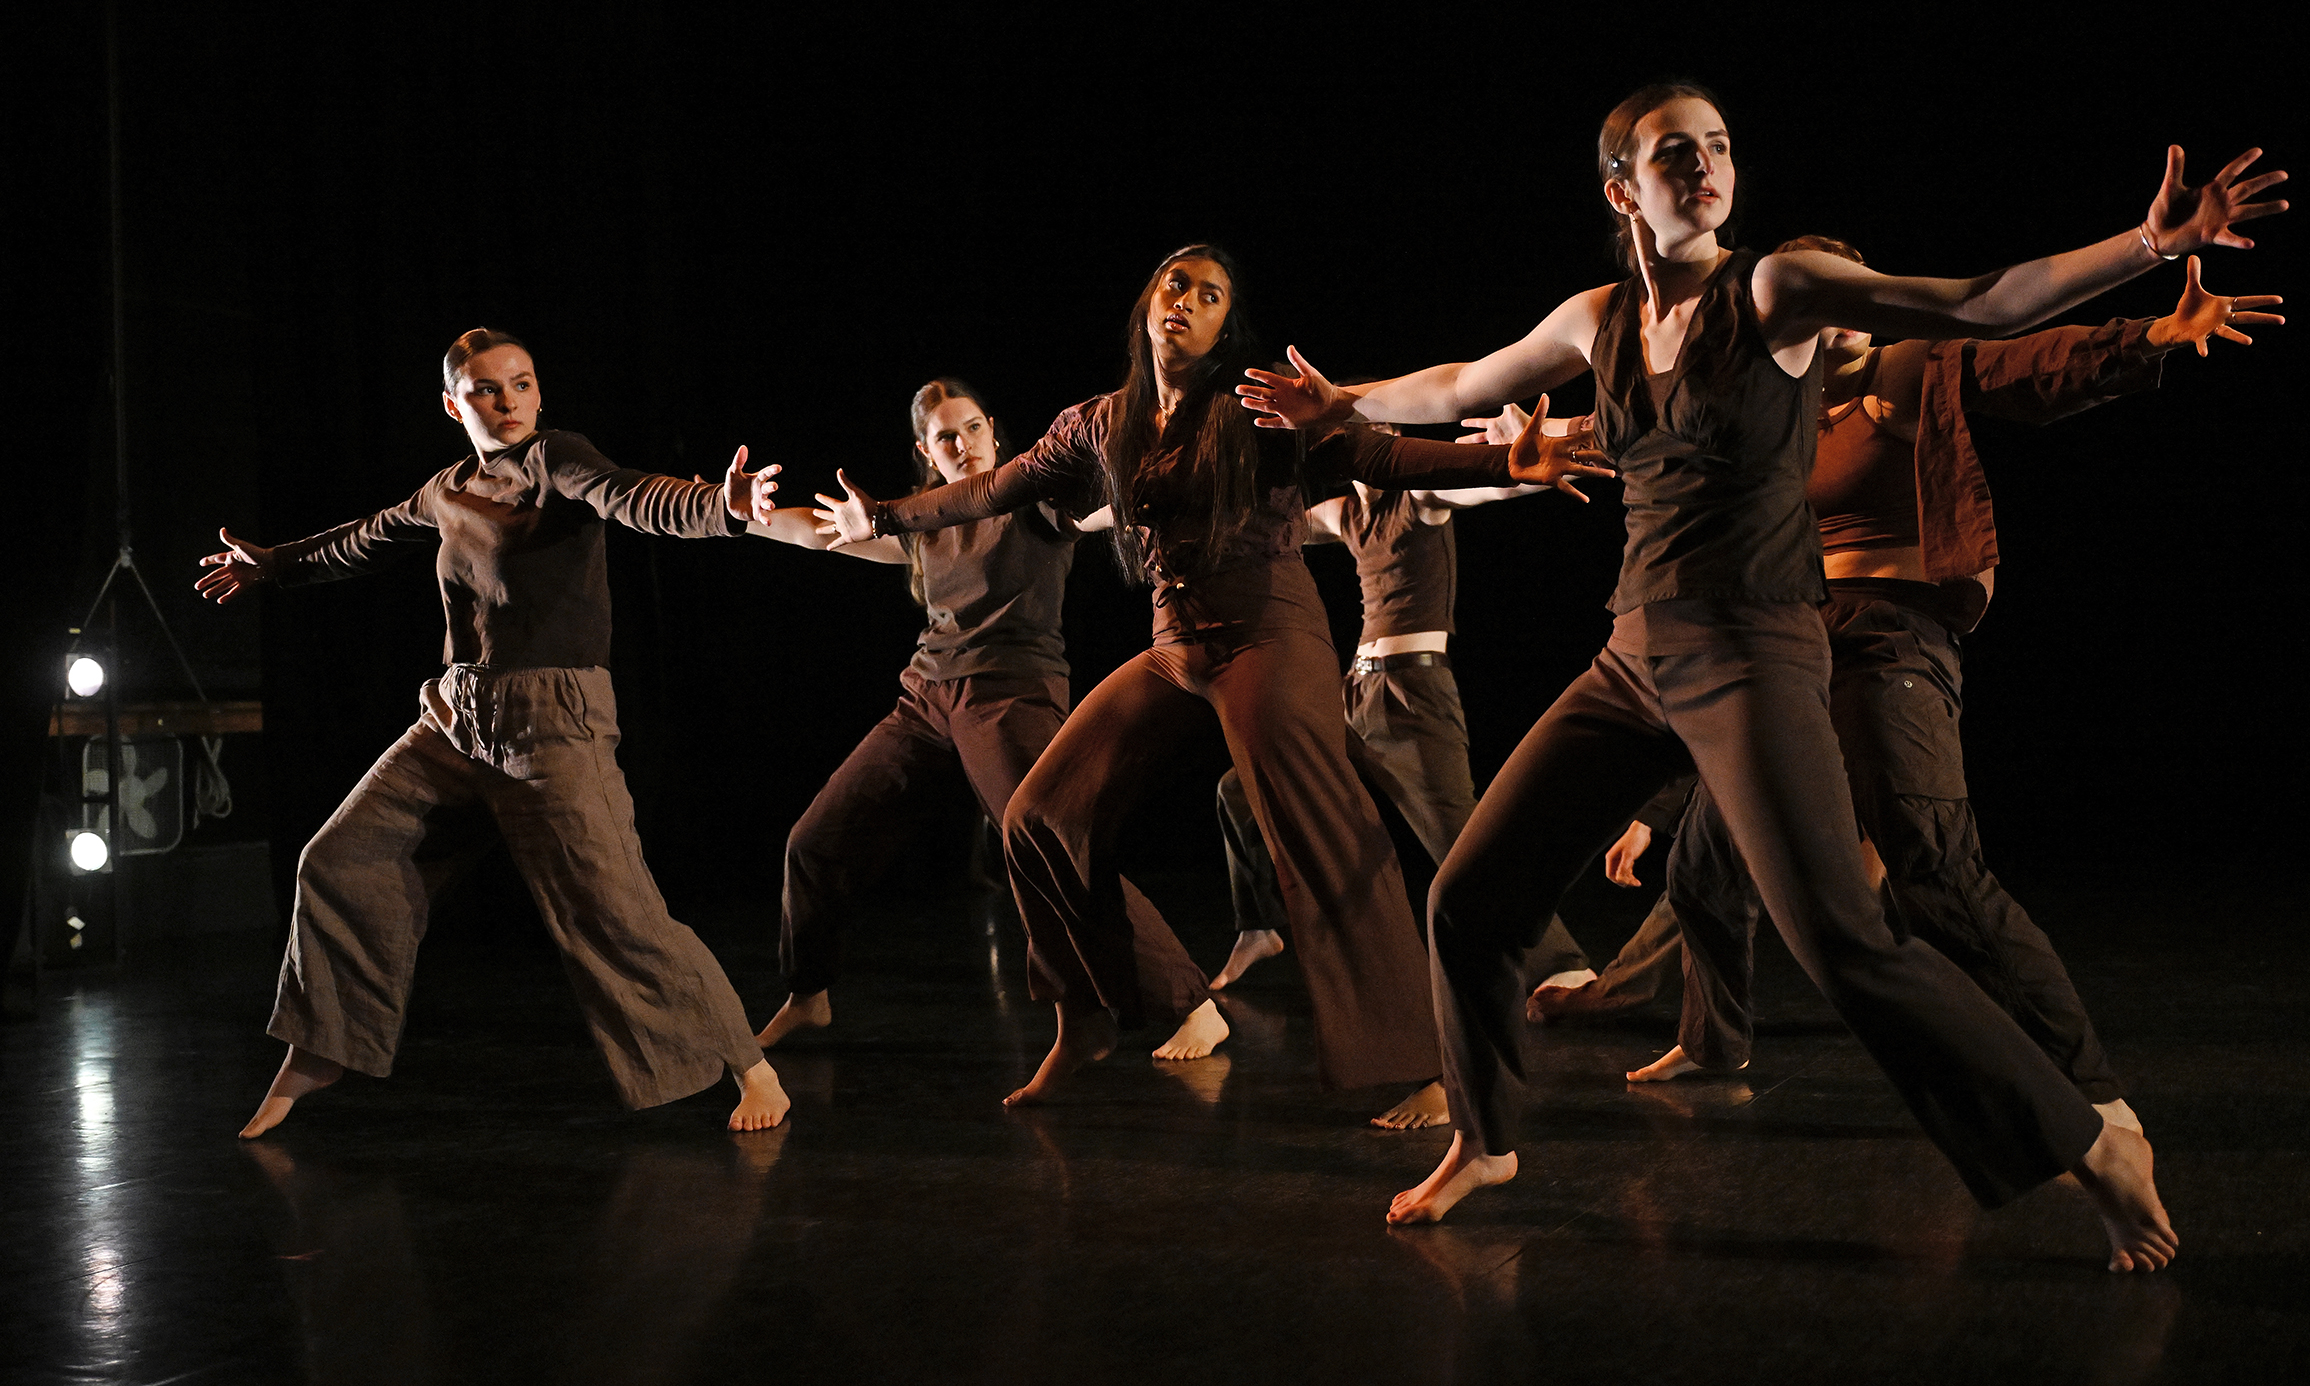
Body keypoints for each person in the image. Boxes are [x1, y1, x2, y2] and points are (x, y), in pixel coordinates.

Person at [1242, 82, 2284, 1268]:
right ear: (1621, 189)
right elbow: (1461, 383)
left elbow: (1981, 300)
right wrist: (1342, 403)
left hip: (1756, 651)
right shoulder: (1599, 319)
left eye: (1720, 147)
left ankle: (2087, 1140)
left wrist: (2151, 244)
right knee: (1469, 895)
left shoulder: (1776, 289)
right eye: (1675, 152)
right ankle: (1486, 1136)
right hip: (1634, 654)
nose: (1706, 165)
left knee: (1847, 940)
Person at [818, 244, 1607, 1115]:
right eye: (1173, 283)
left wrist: (1501, 464)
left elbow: (1379, 458)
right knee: (1040, 817)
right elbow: (988, 492)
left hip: (1270, 638)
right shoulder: (1098, 422)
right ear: (1147, 304)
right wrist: (884, 516)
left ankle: (1423, 1064)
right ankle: (1085, 1015)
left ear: (1228, 321)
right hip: (1176, 648)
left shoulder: (1257, 402)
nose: (1185, 300)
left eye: (1209, 294)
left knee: (1314, 835)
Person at [1541, 242, 2278, 1132]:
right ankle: (1713, 1040)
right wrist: (1534, 441)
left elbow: (2027, 362)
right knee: (1703, 861)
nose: (1836, 317)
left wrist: (2151, 334)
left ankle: (2091, 1094)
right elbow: (1653, 430)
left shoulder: (1909, 370)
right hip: (1792, 638)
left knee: (1931, 864)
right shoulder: (1776, 401)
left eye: (1852, 299)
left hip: (1888, 636)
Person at [197, 328, 791, 1137]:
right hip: (454, 717)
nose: (507, 401)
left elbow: (631, 495)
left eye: (521, 383)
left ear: (540, 393)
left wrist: (719, 506)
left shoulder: (557, 459)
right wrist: (276, 564)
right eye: (485, 389)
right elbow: (366, 537)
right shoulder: (446, 490)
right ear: (453, 404)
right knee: (340, 858)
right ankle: (324, 1046)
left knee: (612, 911)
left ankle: (749, 1066)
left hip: (553, 723)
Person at [747, 377, 1113, 1047]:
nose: (964, 443)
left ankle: (1182, 999)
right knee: (815, 841)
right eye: (947, 436)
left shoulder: (1035, 497)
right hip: (926, 699)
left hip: (1010, 693)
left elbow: (1104, 511)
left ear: (994, 428)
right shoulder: (916, 518)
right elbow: (815, 531)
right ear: (926, 449)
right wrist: (740, 512)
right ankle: (808, 994)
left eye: (973, 427)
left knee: (1050, 845)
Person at [1209, 422, 1597, 1035]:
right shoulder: (1345, 512)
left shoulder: (1418, 499)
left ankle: (1563, 964)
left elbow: (1480, 487)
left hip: (1411, 693)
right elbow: (1256, 530)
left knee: (1457, 836)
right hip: (1353, 693)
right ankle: (1259, 925)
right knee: (1242, 787)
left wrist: (1517, 472)